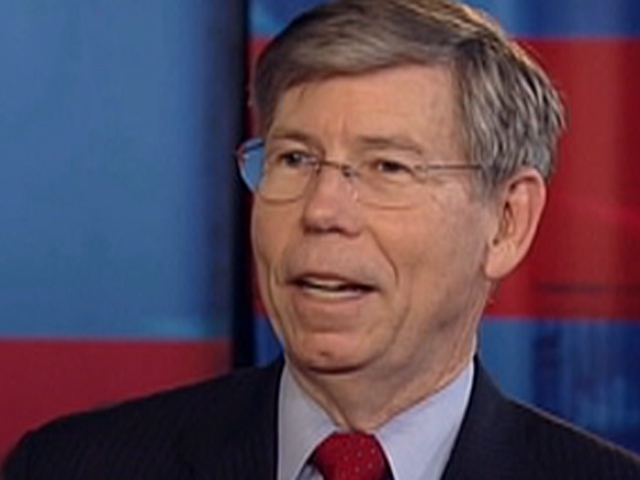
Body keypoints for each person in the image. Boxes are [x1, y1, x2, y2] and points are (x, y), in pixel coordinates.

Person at [4, 0, 640, 478]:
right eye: (294, 159)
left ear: (506, 222)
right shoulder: (71, 466)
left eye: (387, 167)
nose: (322, 210)